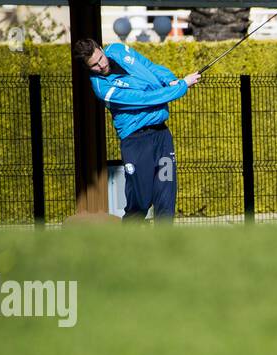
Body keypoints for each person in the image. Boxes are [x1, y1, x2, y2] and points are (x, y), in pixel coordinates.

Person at [72, 39, 200, 221]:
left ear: (101, 49)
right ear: (87, 68)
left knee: (166, 195)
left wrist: (170, 80)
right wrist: (181, 87)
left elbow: (149, 66)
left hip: (162, 138)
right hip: (137, 143)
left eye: (100, 58)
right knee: (140, 201)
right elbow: (143, 99)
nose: (101, 65)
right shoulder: (103, 89)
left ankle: (166, 247)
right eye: (94, 65)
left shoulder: (117, 49)